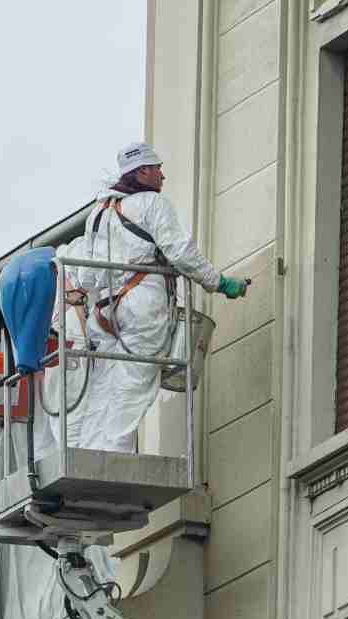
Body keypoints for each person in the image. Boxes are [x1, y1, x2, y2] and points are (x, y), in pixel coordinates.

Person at [66, 141, 247, 452]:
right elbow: (180, 252)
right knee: (133, 385)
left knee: (105, 385)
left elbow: (87, 278)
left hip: (105, 310)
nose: (163, 175)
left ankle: (87, 452)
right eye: (158, 168)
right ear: (142, 172)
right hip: (142, 307)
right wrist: (218, 283)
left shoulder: (98, 213)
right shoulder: (152, 204)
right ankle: (114, 460)